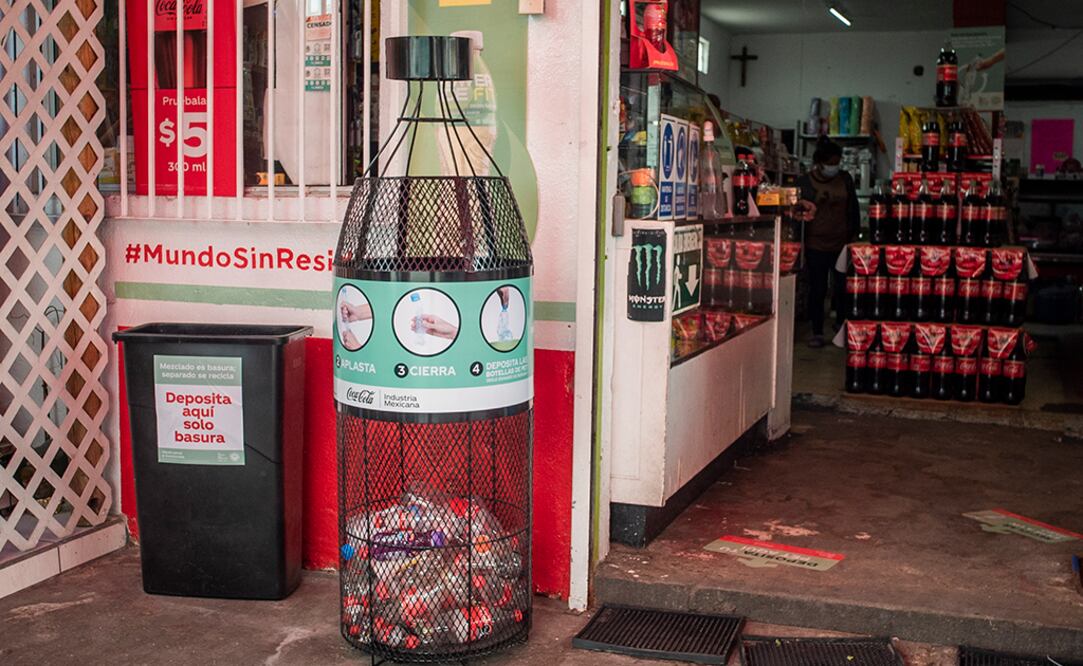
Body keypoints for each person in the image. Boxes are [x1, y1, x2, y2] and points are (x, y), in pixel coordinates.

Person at [796, 139, 860, 347]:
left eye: (837, 162)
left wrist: (854, 235)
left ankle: (841, 326)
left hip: (841, 242)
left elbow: (854, 208)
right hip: (816, 244)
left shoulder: (845, 179)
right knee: (818, 288)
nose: (835, 166)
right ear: (820, 162)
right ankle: (817, 331)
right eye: (831, 162)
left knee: (843, 287)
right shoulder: (805, 182)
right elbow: (798, 212)